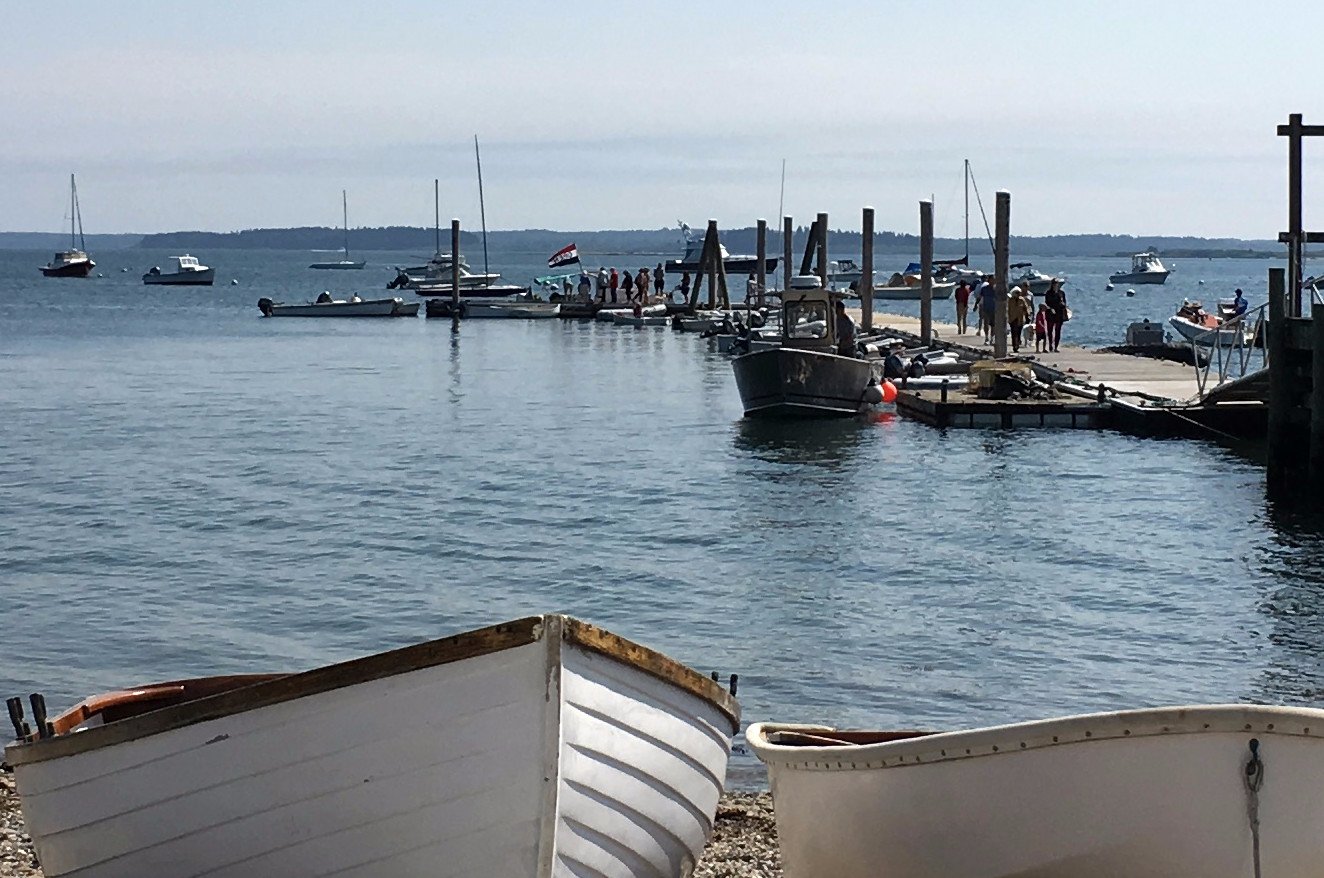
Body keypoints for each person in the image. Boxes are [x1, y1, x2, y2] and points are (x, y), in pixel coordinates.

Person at [1044, 280, 1067, 352]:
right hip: (1050, 313)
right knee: (1050, 330)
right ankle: (1050, 344)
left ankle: (1056, 347)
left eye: (1057, 284)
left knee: (1058, 331)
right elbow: (1047, 303)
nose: (1055, 286)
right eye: (1054, 284)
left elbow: (1064, 303)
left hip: (1059, 313)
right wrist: (1050, 308)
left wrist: (1064, 309)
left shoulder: (1061, 293)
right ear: (1052, 285)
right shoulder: (1048, 293)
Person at [1007, 284, 1031, 354]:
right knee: (1014, 333)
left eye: (1019, 293)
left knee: (1018, 333)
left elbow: (1026, 308)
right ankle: (1015, 346)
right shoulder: (1010, 300)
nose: (1018, 294)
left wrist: (1028, 315)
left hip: (1020, 319)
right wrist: (1008, 318)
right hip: (1012, 319)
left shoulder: (1022, 300)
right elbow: (1008, 309)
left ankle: (1017, 344)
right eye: (1016, 293)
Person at [979, 276, 997, 345]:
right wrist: (978, 306)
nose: (992, 281)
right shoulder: (984, 289)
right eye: (991, 280)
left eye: (994, 280)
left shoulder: (996, 289)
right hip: (986, 308)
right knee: (986, 324)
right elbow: (980, 298)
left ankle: (992, 338)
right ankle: (986, 338)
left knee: (993, 325)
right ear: (988, 281)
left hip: (994, 309)